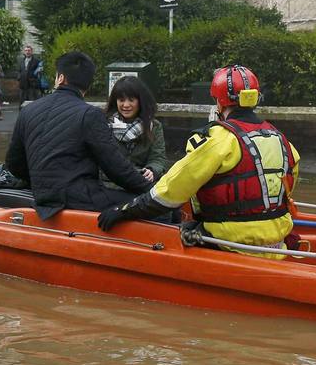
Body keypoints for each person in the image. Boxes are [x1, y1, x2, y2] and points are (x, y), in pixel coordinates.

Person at [98, 65, 300, 259]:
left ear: (219, 103)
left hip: (230, 242)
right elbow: (285, 190)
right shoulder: (281, 139)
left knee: (171, 232)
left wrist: (124, 211)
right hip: (275, 242)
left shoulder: (219, 140)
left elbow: (171, 191)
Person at [3, 51, 152, 219]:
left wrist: (41, 182)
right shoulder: (90, 114)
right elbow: (116, 168)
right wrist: (152, 191)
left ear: (60, 78)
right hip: (79, 199)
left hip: (43, 197)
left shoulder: (28, 110)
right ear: (87, 85)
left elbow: (14, 163)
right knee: (154, 208)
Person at [101, 76, 169, 187]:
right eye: (121, 100)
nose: (126, 105)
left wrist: (152, 170)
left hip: (141, 183)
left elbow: (158, 157)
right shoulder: (103, 123)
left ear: (140, 101)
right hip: (109, 184)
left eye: (131, 100)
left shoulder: (154, 126)